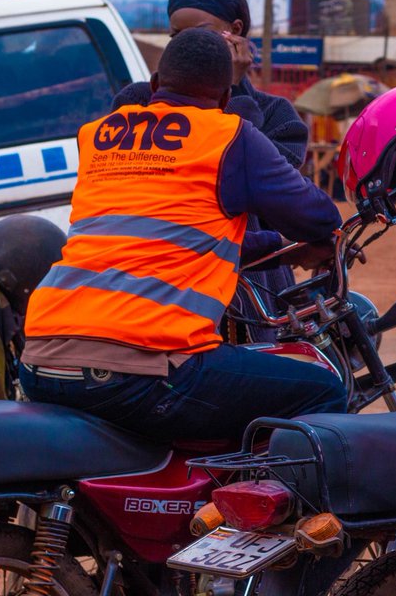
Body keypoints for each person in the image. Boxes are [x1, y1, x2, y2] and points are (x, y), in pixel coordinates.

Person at [20, 28, 346, 441]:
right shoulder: (228, 136)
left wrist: (280, 251)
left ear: (154, 85)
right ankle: (257, 505)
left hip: (41, 358)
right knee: (322, 389)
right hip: (139, 369)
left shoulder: (97, 136)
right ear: (227, 99)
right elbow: (316, 215)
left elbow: (166, 239)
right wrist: (316, 242)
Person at [166, 0, 309, 325]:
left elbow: (265, 188)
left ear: (237, 31)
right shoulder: (143, 109)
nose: (187, 47)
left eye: (199, 33)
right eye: (176, 37)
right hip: (175, 288)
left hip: (256, 290)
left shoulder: (278, 116)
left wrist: (227, 87)